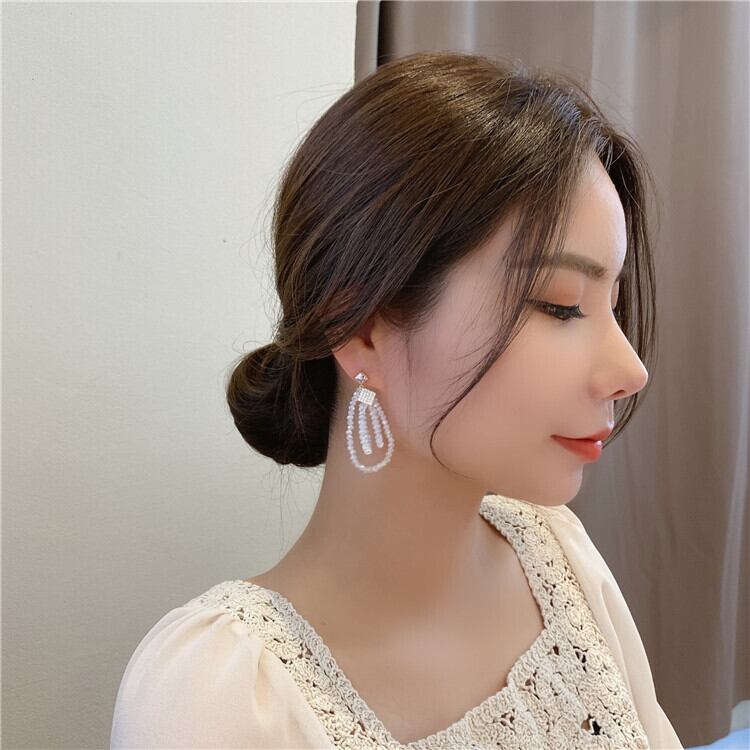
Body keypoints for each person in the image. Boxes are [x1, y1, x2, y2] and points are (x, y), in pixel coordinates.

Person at [110, 50, 684, 749]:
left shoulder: (560, 559)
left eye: (612, 303)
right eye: (561, 304)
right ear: (362, 328)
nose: (630, 369)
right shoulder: (219, 695)